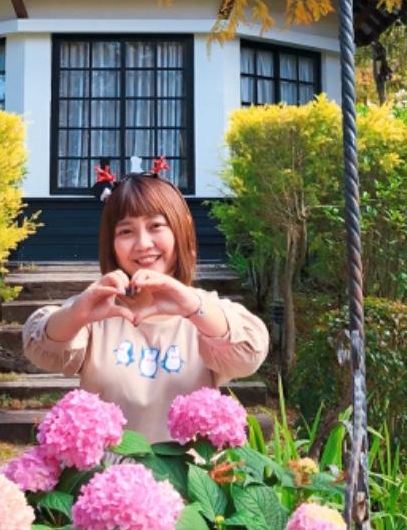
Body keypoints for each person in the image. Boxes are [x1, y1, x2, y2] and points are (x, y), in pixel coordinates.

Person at [22, 171, 270, 441]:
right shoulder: (97, 309)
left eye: (156, 226)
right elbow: (40, 348)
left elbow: (249, 355)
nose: (143, 244)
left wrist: (192, 306)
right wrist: (77, 315)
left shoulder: (207, 312)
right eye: (126, 231)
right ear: (111, 244)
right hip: (106, 468)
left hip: (189, 468)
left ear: (180, 230)